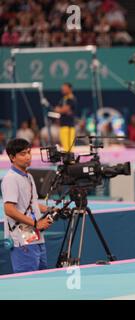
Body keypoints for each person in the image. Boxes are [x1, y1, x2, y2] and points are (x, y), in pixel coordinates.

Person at [1, 139, 53, 273]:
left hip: (35, 236)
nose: (28, 157)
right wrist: (36, 224)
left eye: (29, 152)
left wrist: (48, 209)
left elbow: (32, 203)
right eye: (23, 154)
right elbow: (9, 209)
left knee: (42, 275)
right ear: (12, 157)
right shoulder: (11, 179)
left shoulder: (28, 176)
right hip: (21, 237)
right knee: (28, 279)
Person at [54, 83, 77, 152]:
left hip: (69, 126)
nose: (63, 89)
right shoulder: (63, 99)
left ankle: (71, 161)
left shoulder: (71, 98)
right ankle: (68, 161)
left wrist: (59, 110)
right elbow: (58, 109)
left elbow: (64, 110)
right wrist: (59, 110)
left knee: (69, 146)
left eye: (65, 88)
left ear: (70, 89)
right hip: (63, 125)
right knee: (65, 146)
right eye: (62, 87)